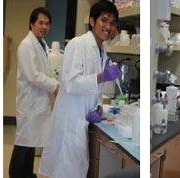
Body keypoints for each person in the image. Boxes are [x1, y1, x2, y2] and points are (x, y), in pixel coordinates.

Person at [39, 1, 120, 177]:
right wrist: (101, 76)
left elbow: (95, 90)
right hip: (70, 122)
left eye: (112, 22)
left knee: (75, 170)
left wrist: (98, 108)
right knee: (67, 170)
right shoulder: (77, 44)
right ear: (92, 21)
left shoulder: (101, 50)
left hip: (82, 120)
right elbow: (70, 84)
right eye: (103, 20)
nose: (108, 26)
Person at [9, 7, 59, 178]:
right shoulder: (26, 45)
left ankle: (27, 174)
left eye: (47, 24)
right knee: (23, 142)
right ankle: (16, 174)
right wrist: (55, 86)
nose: (44, 27)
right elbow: (33, 75)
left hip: (38, 101)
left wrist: (55, 83)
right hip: (29, 102)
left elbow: (44, 71)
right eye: (40, 23)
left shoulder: (41, 44)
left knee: (32, 142)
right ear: (31, 24)